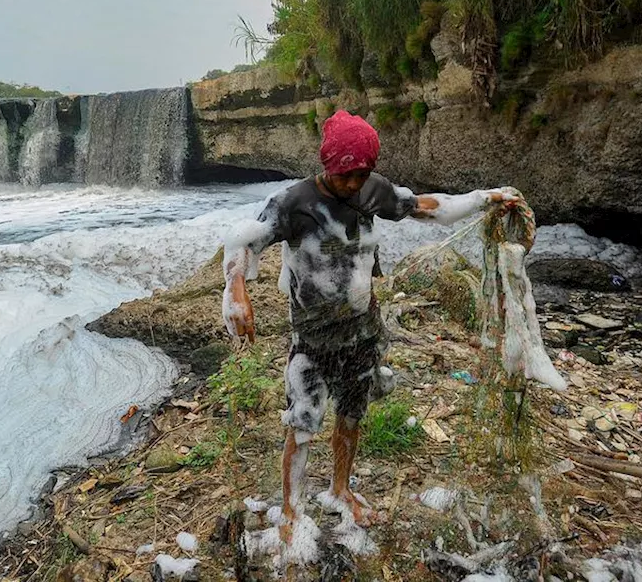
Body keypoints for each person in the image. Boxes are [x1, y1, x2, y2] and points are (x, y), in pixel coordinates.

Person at [221, 109, 521, 542]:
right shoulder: (293, 204)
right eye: (346, 175)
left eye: (363, 174)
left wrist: (484, 198)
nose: (354, 184)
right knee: (302, 422)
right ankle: (291, 511)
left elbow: (426, 207)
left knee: (351, 415)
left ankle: (340, 490)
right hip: (313, 337)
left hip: (362, 330)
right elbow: (245, 243)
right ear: (328, 166)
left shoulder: (371, 190)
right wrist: (235, 289)